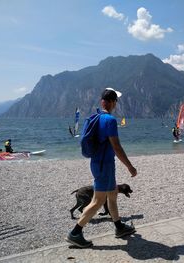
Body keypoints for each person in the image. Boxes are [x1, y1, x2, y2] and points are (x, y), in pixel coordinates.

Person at [66, 88, 138, 248]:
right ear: (113, 103)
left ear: (102, 102)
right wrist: (130, 167)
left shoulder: (95, 118)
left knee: (112, 195)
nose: (115, 105)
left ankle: (119, 227)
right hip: (104, 166)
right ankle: (75, 233)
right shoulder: (109, 121)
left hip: (99, 164)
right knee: (98, 201)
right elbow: (117, 147)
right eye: (116, 102)